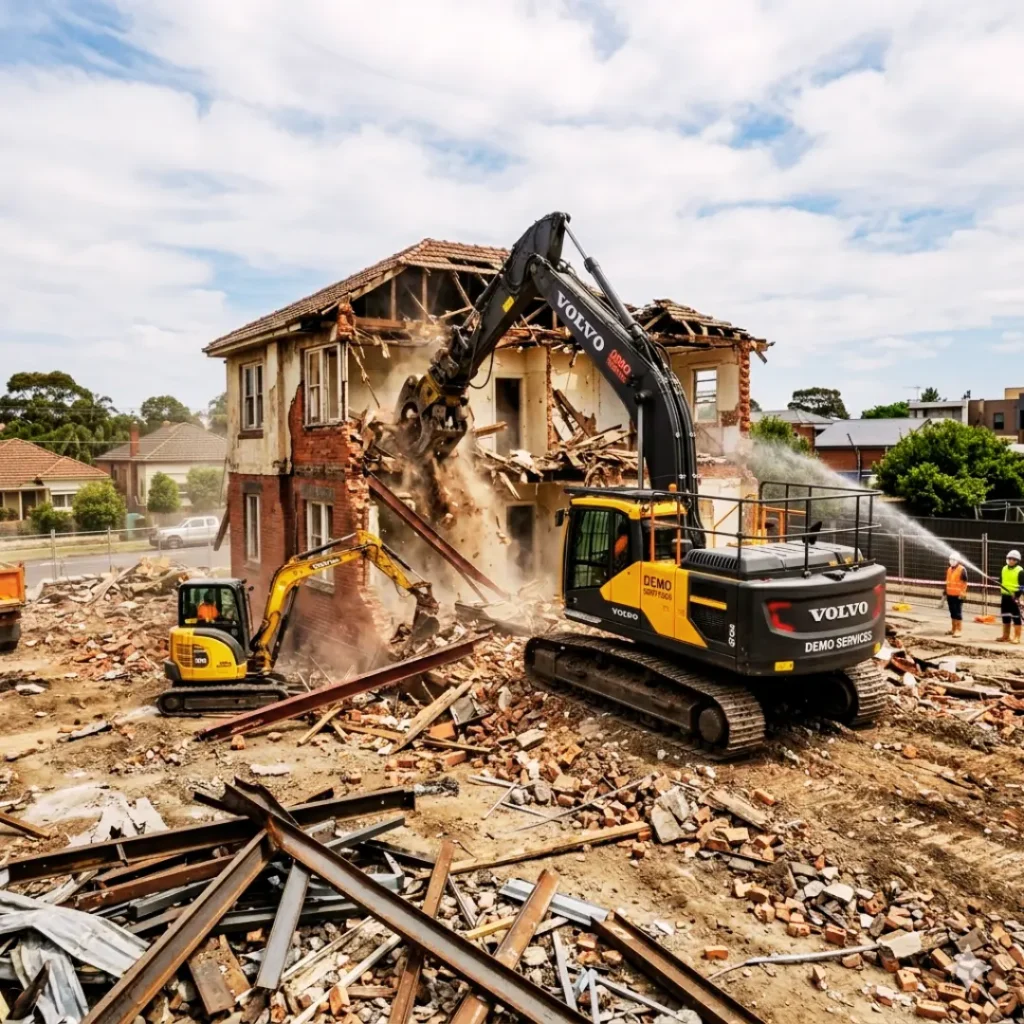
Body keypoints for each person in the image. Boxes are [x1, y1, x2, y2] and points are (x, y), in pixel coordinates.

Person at [998, 549, 1024, 644]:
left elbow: (1022, 586)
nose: (1011, 561)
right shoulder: (1004, 569)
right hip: (1005, 596)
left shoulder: (1020, 571)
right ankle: (1006, 636)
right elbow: (1001, 581)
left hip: (1014, 597)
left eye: (1014, 559)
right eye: (1010, 559)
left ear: (1017, 561)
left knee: (1016, 617)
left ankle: (1017, 637)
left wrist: (1017, 595)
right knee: (1005, 616)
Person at [944, 553, 967, 636]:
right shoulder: (949, 569)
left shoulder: (962, 569)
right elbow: (947, 582)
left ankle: (959, 630)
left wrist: (962, 594)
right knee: (952, 612)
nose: (951, 561)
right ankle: (953, 629)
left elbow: (964, 583)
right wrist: (945, 592)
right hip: (950, 594)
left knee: (958, 613)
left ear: (958, 561)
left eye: (954, 560)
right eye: (950, 559)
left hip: (958, 595)